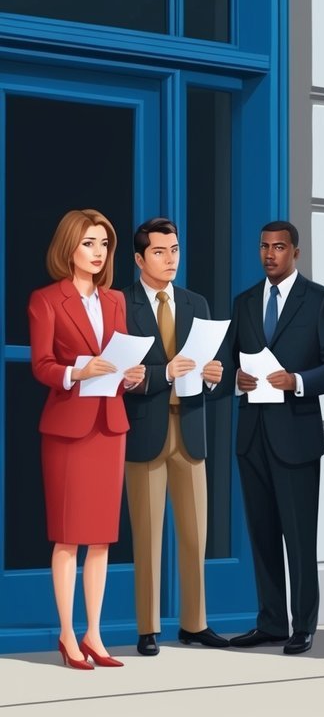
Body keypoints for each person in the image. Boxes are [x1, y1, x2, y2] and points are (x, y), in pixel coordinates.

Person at [229, 220, 324, 655]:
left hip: (296, 436)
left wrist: (297, 380)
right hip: (251, 435)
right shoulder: (243, 302)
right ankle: (270, 622)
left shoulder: (321, 302)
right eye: (264, 247)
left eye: (279, 247)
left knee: (299, 538)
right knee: (261, 535)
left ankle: (304, 625)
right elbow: (229, 365)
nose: (269, 255)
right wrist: (236, 379)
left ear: (295, 253)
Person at [29, 209, 146, 669]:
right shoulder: (45, 300)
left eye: (103, 244)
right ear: (68, 248)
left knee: (101, 539)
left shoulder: (116, 300)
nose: (97, 253)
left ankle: (95, 634)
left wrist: (132, 376)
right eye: (88, 244)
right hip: (68, 428)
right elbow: (41, 365)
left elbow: (119, 359)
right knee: (67, 537)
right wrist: (78, 370)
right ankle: (65, 634)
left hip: (109, 425)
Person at [122, 217, 230, 656]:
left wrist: (213, 376)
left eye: (175, 250)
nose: (170, 260)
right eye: (160, 252)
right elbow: (119, 371)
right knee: (147, 535)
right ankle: (147, 627)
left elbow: (211, 366)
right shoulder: (121, 304)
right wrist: (160, 374)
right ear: (139, 258)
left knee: (194, 534)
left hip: (190, 429)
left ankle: (194, 623)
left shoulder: (196, 302)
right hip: (146, 430)